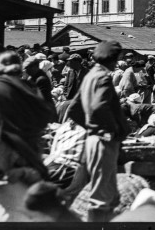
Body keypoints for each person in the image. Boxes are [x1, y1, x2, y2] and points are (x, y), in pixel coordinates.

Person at [61, 39, 129, 222]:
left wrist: (91, 127)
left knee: (110, 195)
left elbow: (74, 111)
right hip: (103, 141)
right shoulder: (103, 77)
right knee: (101, 197)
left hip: (93, 139)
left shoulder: (90, 76)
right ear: (114, 59)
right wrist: (111, 131)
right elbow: (100, 108)